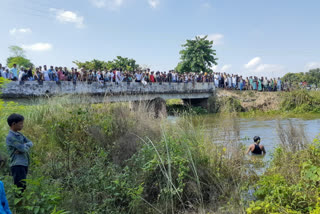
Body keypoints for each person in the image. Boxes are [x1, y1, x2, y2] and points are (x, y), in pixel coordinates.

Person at [6, 114, 33, 194]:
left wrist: (23, 147)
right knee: (19, 187)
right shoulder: (11, 137)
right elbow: (23, 149)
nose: (22, 125)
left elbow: (30, 143)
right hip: (17, 164)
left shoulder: (20, 134)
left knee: (23, 186)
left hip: (24, 163)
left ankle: (22, 204)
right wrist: (23, 147)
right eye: (20, 123)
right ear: (14, 124)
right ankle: (19, 204)